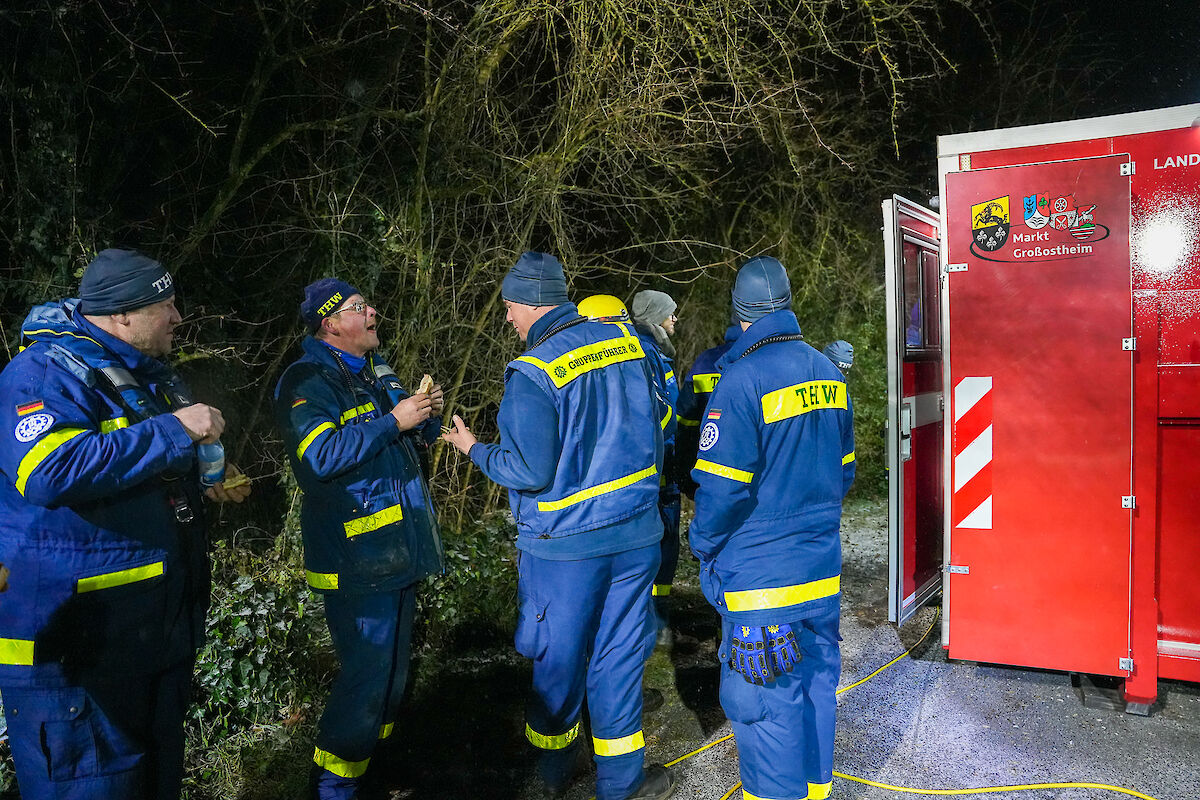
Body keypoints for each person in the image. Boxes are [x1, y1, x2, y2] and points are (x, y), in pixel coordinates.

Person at [0, 248, 251, 800]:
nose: (179, 318)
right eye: (166, 305)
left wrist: (201, 476)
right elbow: (49, 469)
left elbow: (128, 465)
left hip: (148, 641)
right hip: (76, 658)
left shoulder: (145, 376)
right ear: (121, 316)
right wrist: (175, 433)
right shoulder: (41, 374)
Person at [442, 252, 676, 800]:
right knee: (618, 659)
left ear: (528, 304)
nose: (506, 320)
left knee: (557, 662)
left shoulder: (534, 371)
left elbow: (527, 470)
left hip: (566, 550)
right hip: (638, 535)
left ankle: (550, 779)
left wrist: (473, 447)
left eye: (508, 309)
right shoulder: (629, 343)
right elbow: (662, 422)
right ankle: (621, 784)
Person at [689, 256, 855, 800]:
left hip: (761, 580)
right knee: (814, 687)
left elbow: (722, 492)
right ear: (786, 303)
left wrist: (703, 547)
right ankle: (814, 792)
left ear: (739, 313)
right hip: (821, 573)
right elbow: (845, 470)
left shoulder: (740, 380)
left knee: (762, 708)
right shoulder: (829, 374)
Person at [273, 279, 445, 800]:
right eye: (358, 307)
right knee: (366, 680)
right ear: (330, 324)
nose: (372, 311)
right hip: (354, 561)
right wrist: (395, 420)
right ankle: (332, 788)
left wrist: (424, 413)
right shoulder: (307, 379)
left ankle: (376, 769)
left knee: (391, 675)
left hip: (397, 552)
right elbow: (321, 455)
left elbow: (417, 440)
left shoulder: (370, 373)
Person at [628, 290, 680, 638]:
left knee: (666, 543)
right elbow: (655, 418)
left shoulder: (658, 354)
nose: (675, 319)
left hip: (667, 467)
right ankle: (652, 624)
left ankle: (656, 619)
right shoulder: (646, 355)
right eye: (670, 313)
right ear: (655, 317)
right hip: (658, 472)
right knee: (659, 543)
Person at [675, 309, 742, 499]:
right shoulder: (768, 360)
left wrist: (685, 479)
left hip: (709, 478)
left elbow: (685, 423)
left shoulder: (706, 361)